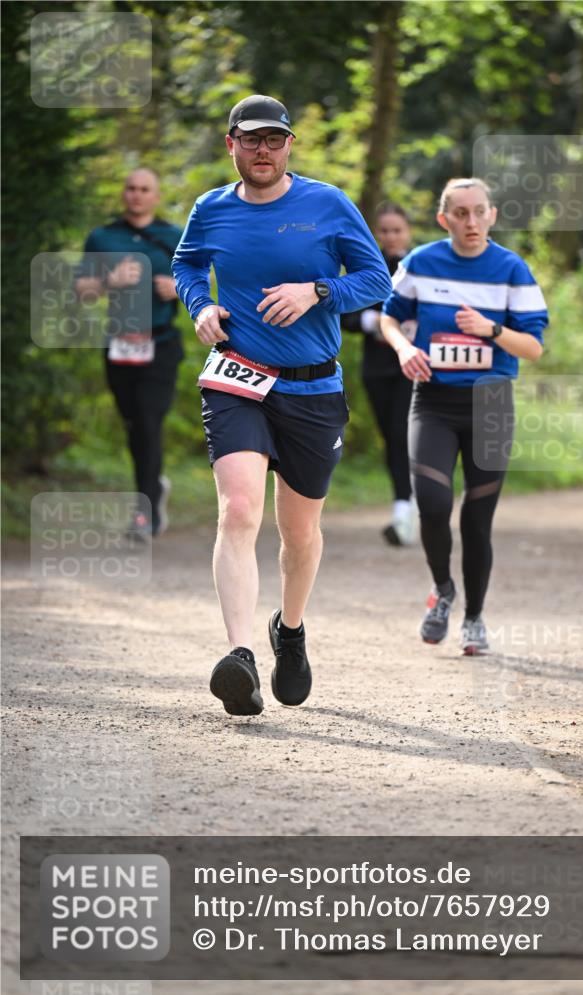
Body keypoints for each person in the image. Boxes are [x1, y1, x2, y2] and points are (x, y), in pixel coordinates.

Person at [172, 95, 392, 716]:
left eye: (274, 139)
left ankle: (288, 631)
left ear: (290, 145)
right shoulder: (210, 209)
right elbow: (187, 266)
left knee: (299, 533)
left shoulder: (328, 203)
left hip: (312, 387)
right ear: (231, 145)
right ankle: (239, 657)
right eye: (251, 139)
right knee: (239, 510)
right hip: (237, 378)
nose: (262, 150)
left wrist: (317, 290)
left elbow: (377, 280)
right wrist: (201, 307)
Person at [381, 178, 548, 654]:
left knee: (477, 520)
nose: (471, 222)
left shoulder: (512, 270)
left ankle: (474, 617)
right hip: (433, 401)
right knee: (432, 503)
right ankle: (443, 590)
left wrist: (490, 329)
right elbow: (390, 316)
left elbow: (533, 347)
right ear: (444, 219)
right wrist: (404, 348)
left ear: (492, 215)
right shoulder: (421, 262)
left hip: (490, 404)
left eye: (479, 212)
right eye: (460, 213)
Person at [75, 168, 183, 538]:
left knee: (149, 422)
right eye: (132, 188)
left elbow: (202, 281)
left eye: (145, 189)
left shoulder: (175, 236)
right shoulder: (103, 237)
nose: (137, 194)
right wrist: (110, 281)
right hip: (119, 344)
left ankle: (145, 512)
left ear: (156, 196)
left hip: (162, 344)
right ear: (124, 193)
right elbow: (81, 292)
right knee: (134, 423)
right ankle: (154, 487)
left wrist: (178, 287)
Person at [342, 204, 418, 546]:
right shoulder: (365, 267)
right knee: (391, 435)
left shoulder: (421, 267)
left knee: (404, 433)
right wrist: (370, 321)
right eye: (384, 230)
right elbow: (344, 314)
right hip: (376, 368)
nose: (390, 236)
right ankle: (404, 502)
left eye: (397, 230)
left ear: (408, 231)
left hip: (413, 365)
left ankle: (407, 509)